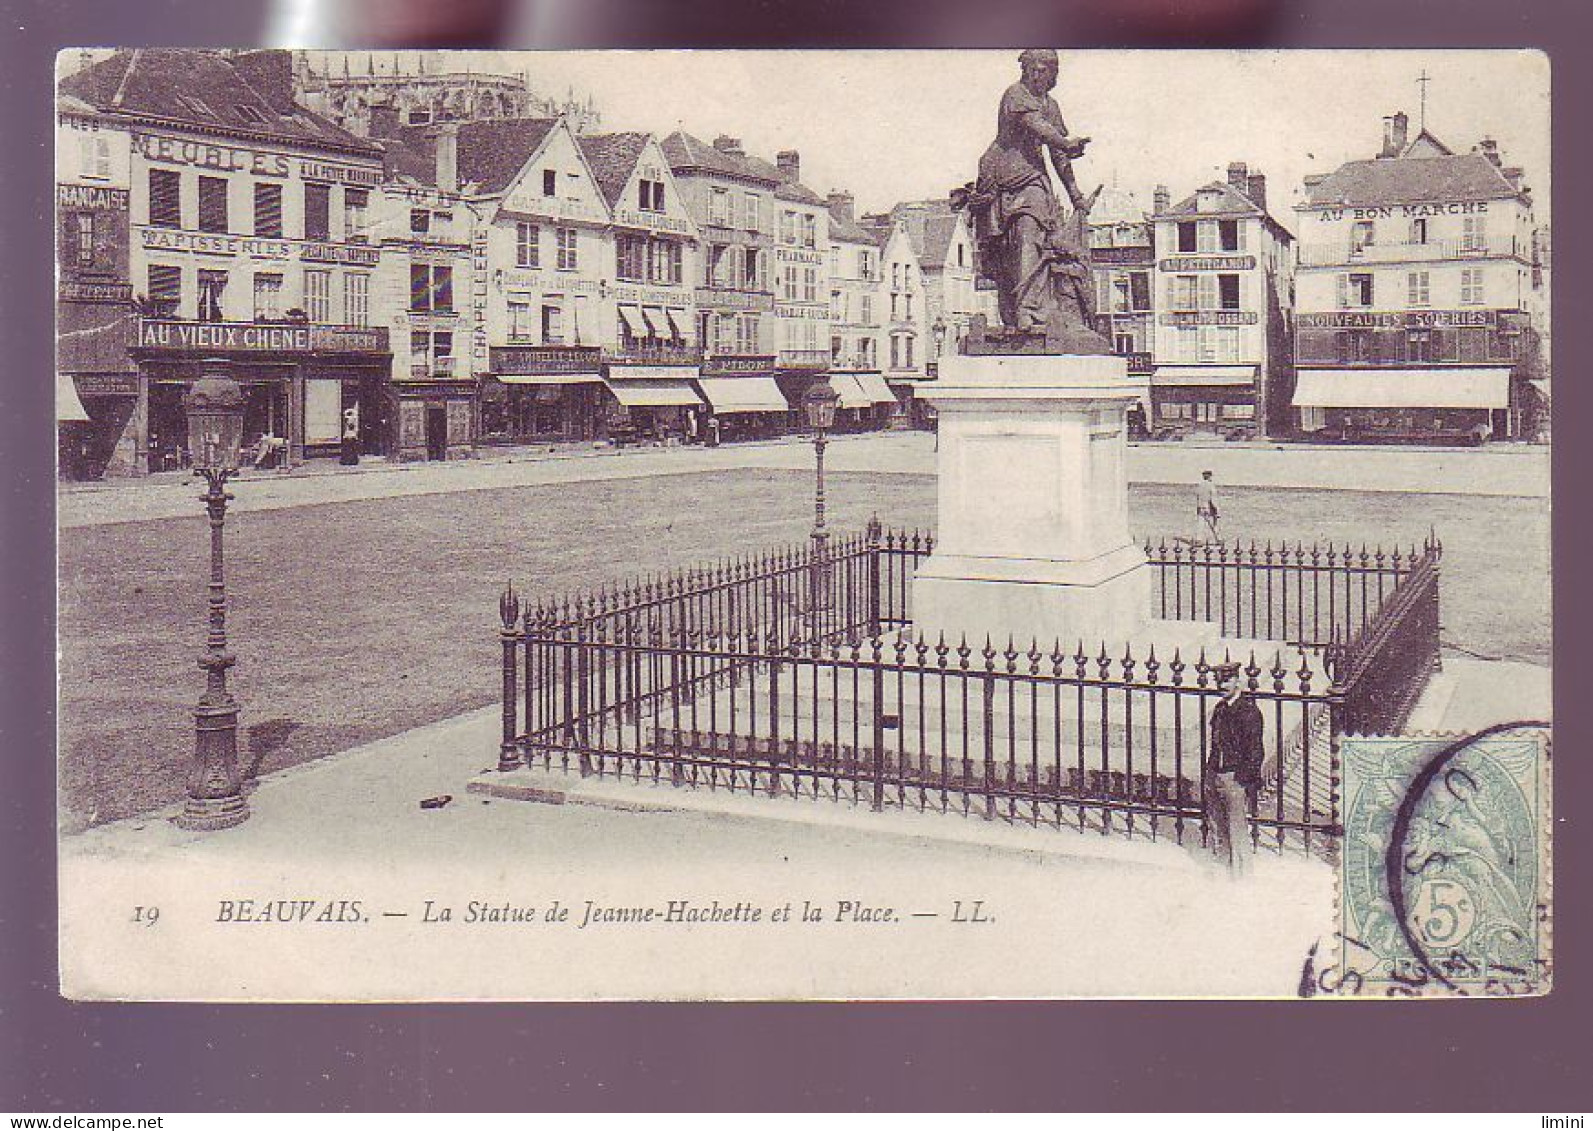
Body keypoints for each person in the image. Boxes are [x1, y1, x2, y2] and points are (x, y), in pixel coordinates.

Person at [1205, 661, 1265, 877]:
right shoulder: (1220, 709)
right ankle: (1223, 871)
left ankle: (1241, 876)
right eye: (1219, 681)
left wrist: (1242, 780)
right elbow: (1215, 743)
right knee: (1218, 826)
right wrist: (1210, 773)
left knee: (1237, 829)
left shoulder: (1248, 711)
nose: (1222, 685)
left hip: (1234, 777)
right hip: (1216, 775)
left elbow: (1255, 750)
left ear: (1237, 680)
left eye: (1227, 680)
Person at [1196, 469, 1220, 542]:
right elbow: (1213, 498)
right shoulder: (1211, 485)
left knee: (1201, 523)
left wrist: (1198, 507)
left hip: (1201, 506)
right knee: (1214, 523)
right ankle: (1218, 538)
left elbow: (1198, 497)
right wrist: (1216, 509)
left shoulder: (1200, 485)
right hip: (1209, 507)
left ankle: (1198, 539)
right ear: (1209, 476)